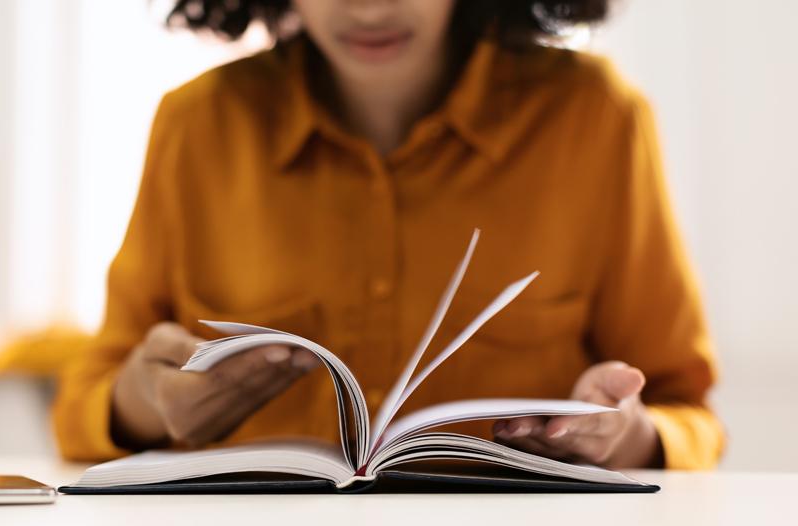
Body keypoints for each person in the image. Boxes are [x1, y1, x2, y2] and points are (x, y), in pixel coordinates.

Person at [53, 0, 723, 470]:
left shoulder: (599, 119)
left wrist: (626, 434)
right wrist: (144, 402)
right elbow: (85, 401)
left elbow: (686, 415)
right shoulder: (196, 127)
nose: (369, 6)